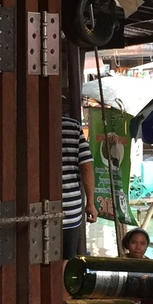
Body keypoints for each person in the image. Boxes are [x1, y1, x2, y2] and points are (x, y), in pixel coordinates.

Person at [60, 114, 97, 277]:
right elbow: (86, 166)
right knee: (65, 260)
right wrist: (90, 203)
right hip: (70, 207)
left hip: (33, 208)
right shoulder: (72, 126)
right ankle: (62, 300)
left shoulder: (24, 122)